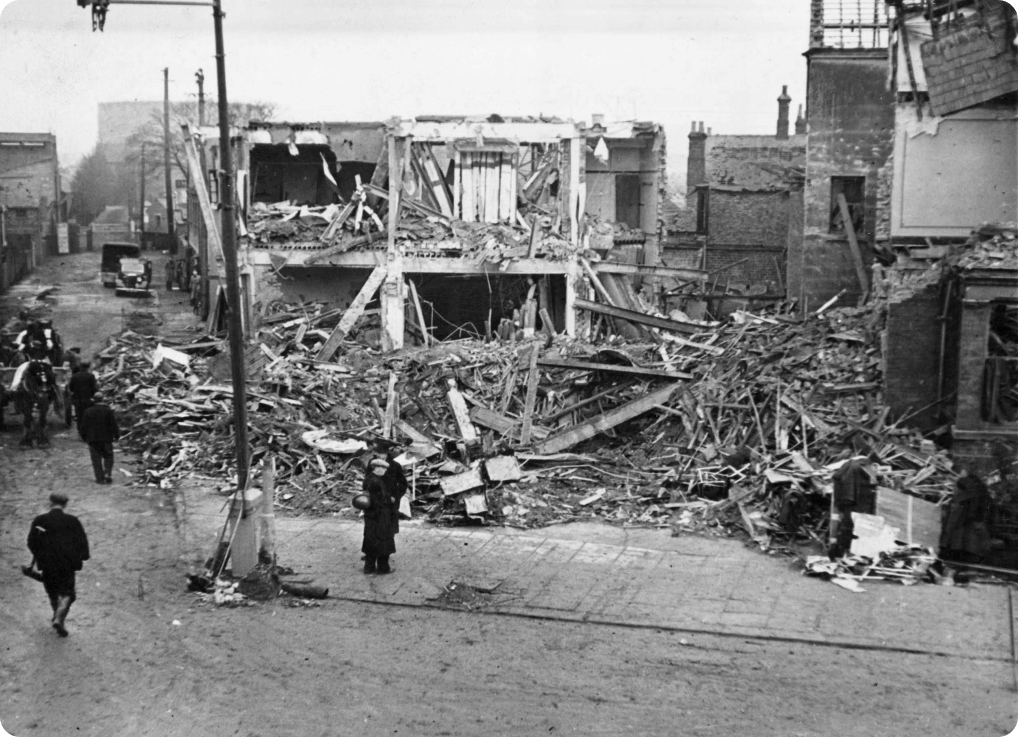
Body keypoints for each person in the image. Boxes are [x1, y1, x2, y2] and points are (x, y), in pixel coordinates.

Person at [27, 492, 90, 637]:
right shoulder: (72, 521)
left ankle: (57, 617)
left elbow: (31, 542)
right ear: (65, 505)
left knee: (52, 592)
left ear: (50, 503)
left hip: (47, 562)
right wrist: (83, 556)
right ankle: (59, 619)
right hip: (67, 563)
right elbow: (81, 541)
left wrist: (40, 555)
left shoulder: (40, 520)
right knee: (68, 593)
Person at [361, 457, 402, 574]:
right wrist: (391, 499)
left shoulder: (369, 479)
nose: (385, 471)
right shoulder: (376, 481)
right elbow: (379, 499)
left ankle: (369, 567)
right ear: (377, 468)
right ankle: (383, 568)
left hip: (370, 516)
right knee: (384, 542)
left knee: (371, 541)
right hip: (380, 516)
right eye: (383, 468)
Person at [79, 391, 120, 484]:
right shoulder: (108, 411)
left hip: (93, 439)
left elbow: (83, 427)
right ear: (103, 399)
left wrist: (84, 437)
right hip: (106, 438)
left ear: (94, 400)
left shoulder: (87, 411)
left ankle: (100, 478)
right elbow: (113, 425)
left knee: (96, 459)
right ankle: (107, 472)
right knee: (109, 456)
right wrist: (116, 435)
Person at [67, 361, 99, 431]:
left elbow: (71, 387)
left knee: (79, 415)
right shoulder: (91, 376)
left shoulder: (74, 376)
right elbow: (94, 388)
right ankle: (88, 430)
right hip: (88, 399)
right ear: (88, 367)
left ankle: (81, 430)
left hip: (77, 399)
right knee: (89, 415)